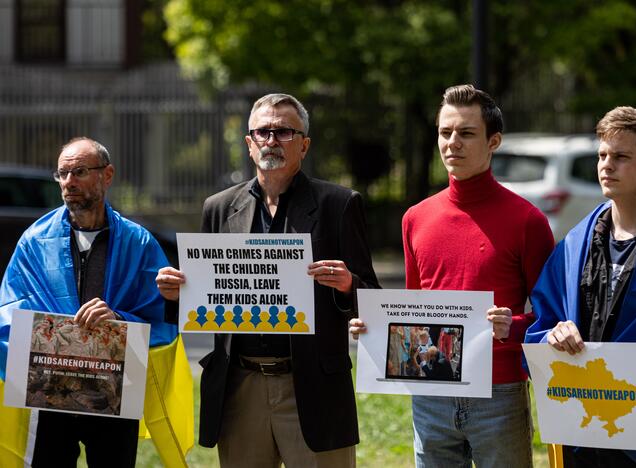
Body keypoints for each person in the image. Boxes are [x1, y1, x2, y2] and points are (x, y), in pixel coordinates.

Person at [156, 93, 379, 467]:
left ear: (304, 145)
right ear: (249, 143)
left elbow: (371, 296)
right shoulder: (219, 208)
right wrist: (176, 293)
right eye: (262, 132)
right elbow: (204, 298)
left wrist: (347, 284)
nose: (271, 140)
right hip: (239, 385)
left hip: (313, 388)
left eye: (284, 132)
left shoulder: (338, 204)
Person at [351, 84, 554, 467]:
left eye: (466, 133)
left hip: (500, 390)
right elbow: (415, 310)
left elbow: (552, 315)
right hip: (431, 392)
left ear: (493, 141)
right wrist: (376, 332)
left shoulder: (527, 221)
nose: (452, 143)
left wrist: (515, 324)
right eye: (445, 132)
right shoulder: (415, 218)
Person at [525, 107, 636, 467]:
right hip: (580, 425)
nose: (606, 165)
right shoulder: (576, 243)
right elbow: (544, 322)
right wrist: (553, 336)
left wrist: (620, 396)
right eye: (602, 155)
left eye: (621, 157)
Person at [0, 137, 178, 467]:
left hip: (113, 390)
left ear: (107, 175)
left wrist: (118, 319)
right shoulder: (35, 241)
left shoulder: (138, 243)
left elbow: (163, 316)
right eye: (62, 174)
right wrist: (50, 334)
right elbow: (8, 309)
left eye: (79, 171)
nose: (69, 182)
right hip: (49, 394)